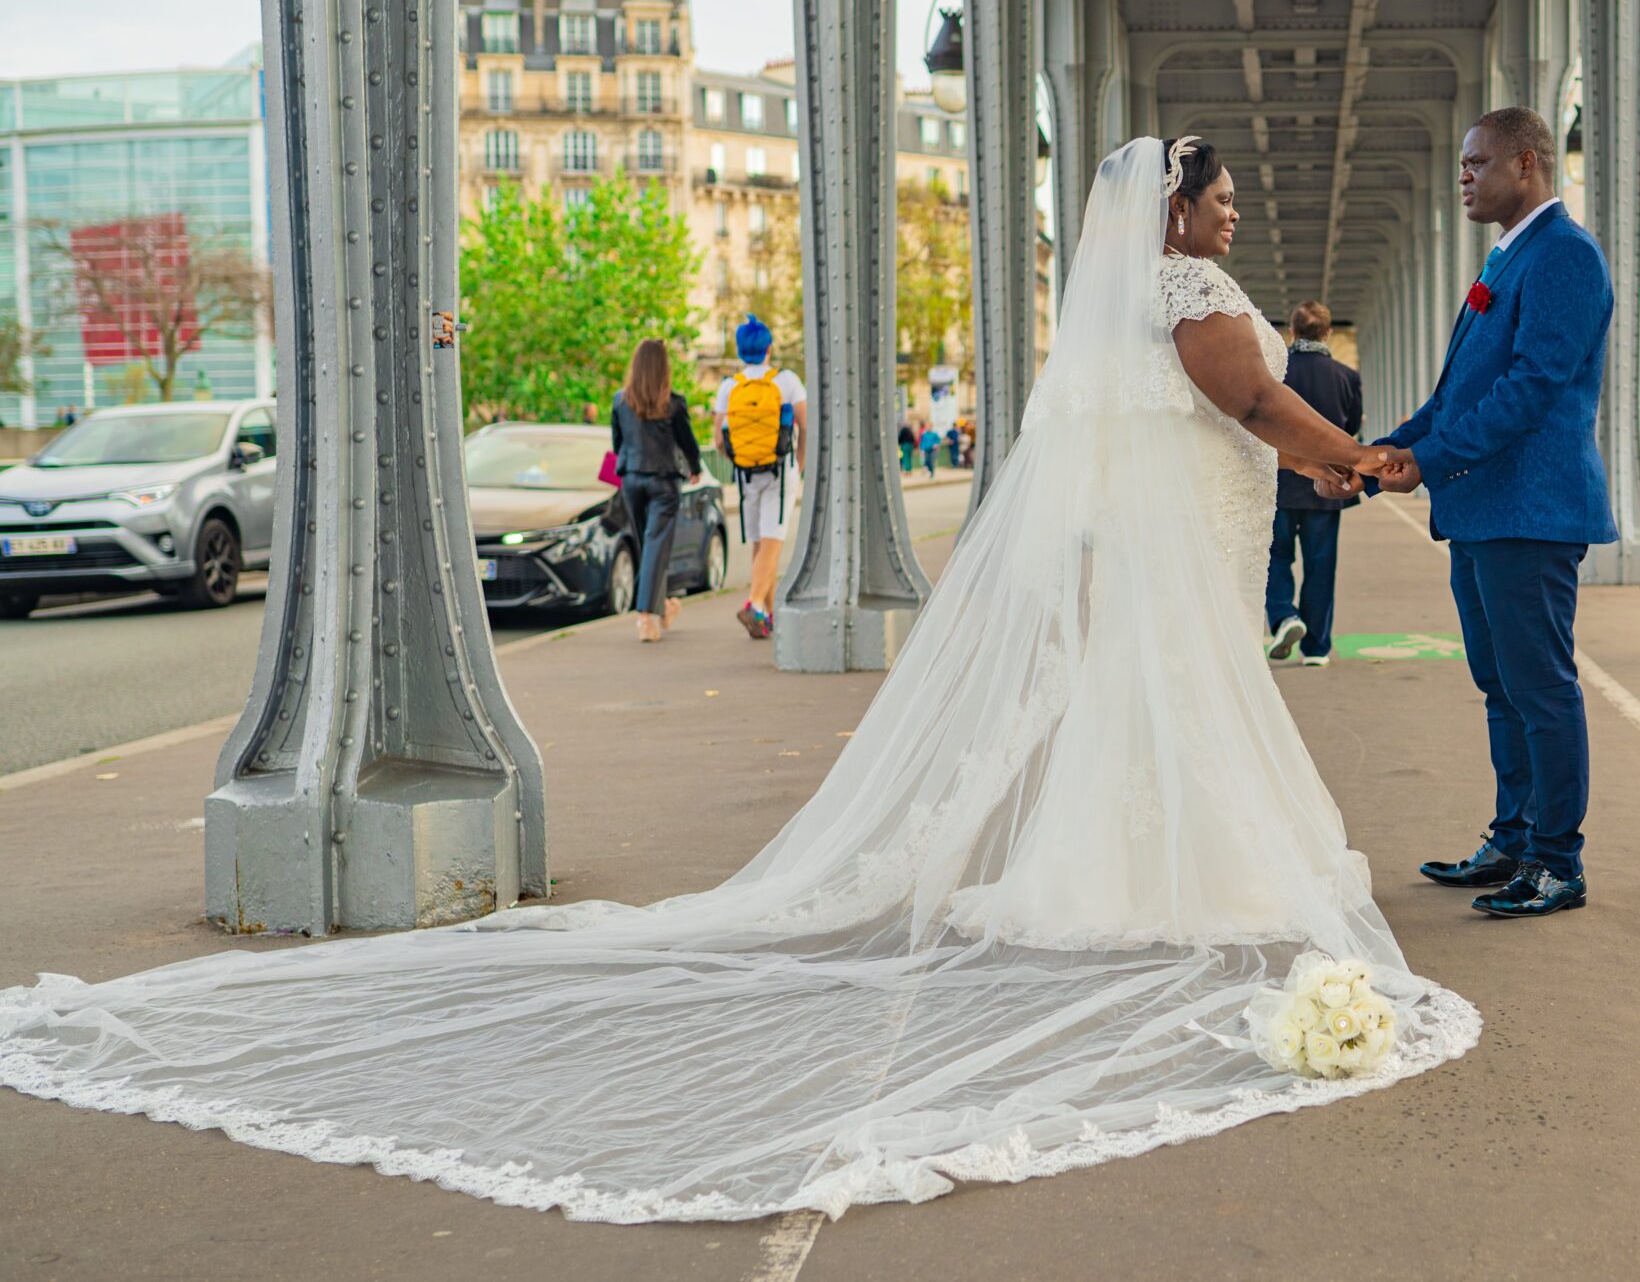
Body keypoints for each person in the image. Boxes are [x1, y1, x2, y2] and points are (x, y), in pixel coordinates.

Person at [0, 136, 1477, 1221]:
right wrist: (1352, 455)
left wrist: (1333, 457)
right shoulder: (1194, 285)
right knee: (1178, 707)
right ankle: (1172, 878)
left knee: (1148, 717)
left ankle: (1129, 872)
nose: (1233, 213)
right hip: (1182, 558)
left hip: (1165, 549)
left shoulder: (1120, 309)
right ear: (1178, 206)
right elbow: (1259, 395)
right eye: (1218, 194)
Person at [1356, 107, 1612, 922]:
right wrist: (1371, 456)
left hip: (1529, 511)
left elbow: (1532, 389)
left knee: (1541, 689)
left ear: (1527, 165)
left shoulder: (1564, 255)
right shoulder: (1511, 256)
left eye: (1476, 163)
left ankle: (1556, 861)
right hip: (1484, 512)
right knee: (1501, 686)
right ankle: (1513, 837)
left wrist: (1425, 461)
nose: (1463, 176)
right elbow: (1453, 397)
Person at [1266, 300, 1362, 667]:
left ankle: (1284, 616)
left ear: (1291, 333)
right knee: (1321, 564)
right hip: (1328, 483)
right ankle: (1317, 648)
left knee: (1276, 557)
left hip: (1280, 482)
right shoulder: (1346, 377)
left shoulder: (1274, 375)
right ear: (1328, 334)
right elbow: (1350, 429)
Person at [712, 315, 807, 641]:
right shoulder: (787, 381)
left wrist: (739, 461)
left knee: (759, 543)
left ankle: (767, 617)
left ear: (740, 350)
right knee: (773, 541)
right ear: (769, 348)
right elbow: (806, 425)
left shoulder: (729, 386)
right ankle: (754, 604)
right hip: (780, 470)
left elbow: (718, 440)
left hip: (745, 473)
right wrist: (800, 462)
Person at [608, 338, 704, 643]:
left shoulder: (620, 401)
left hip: (632, 480)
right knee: (655, 547)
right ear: (663, 368)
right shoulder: (673, 403)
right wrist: (695, 467)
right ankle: (645, 619)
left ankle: (662, 608)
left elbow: (617, 443)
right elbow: (688, 442)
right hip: (663, 482)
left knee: (648, 548)